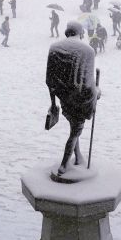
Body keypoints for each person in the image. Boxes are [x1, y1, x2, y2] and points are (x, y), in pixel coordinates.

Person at [45, 21, 99, 175]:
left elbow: (50, 80)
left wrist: (53, 102)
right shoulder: (88, 51)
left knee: (74, 126)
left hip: (64, 97)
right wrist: (97, 92)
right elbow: (88, 84)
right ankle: (64, 164)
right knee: (76, 131)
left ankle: (78, 157)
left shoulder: (54, 48)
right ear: (80, 33)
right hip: (81, 100)